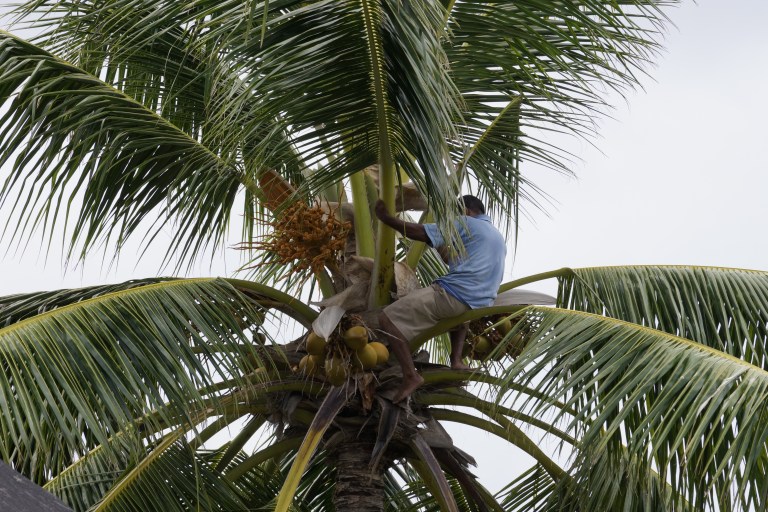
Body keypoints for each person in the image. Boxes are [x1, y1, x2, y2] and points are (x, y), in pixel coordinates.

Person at [374, 195, 507, 403]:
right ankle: (456, 361)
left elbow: (421, 233)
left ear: (465, 210)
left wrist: (387, 219)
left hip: (453, 296)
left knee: (387, 319)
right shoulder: (495, 236)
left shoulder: (466, 222)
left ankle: (410, 376)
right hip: (479, 304)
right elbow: (463, 262)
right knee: (460, 318)